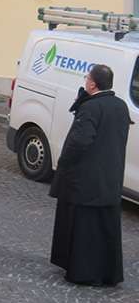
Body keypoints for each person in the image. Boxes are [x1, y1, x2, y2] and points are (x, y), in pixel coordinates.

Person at [49, 64, 131, 286]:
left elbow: (80, 141)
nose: (85, 81)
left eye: (87, 78)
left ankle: (84, 272)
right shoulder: (121, 106)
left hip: (86, 178)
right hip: (111, 176)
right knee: (105, 228)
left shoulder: (91, 108)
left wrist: (65, 161)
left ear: (93, 84)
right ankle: (108, 273)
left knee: (86, 228)